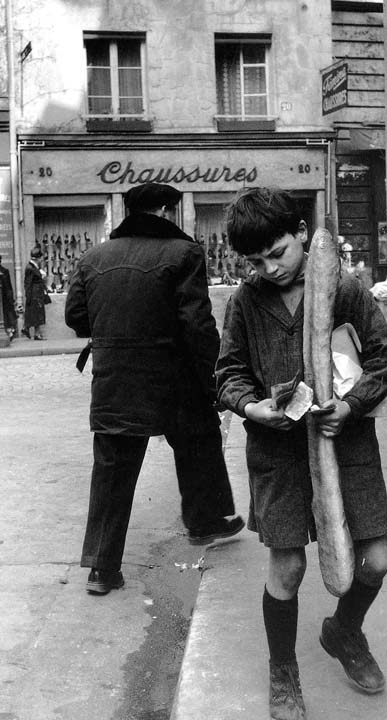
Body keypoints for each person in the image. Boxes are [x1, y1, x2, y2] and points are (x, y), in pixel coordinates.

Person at [215, 187, 387, 719]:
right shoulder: (245, 303)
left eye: (277, 253)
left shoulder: (345, 291)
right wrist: (252, 409)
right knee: (289, 567)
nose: (269, 268)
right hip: (278, 455)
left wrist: (353, 405)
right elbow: (227, 375)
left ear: (301, 233)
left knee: (375, 560)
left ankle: (343, 631)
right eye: (255, 261)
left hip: (348, 447)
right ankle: (283, 674)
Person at [65, 182, 244, 596]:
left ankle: (101, 569)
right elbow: (198, 327)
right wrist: (214, 381)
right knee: (199, 439)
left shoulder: (94, 257)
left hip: (115, 383)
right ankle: (205, 521)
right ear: (165, 211)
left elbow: (77, 317)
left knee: (112, 472)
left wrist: (116, 328)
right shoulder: (183, 254)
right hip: (174, 380)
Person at [22, 247, 49, 340]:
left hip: (36, 293)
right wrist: (28, 296)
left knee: (36, 313)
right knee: (36, 313)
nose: (42, 260)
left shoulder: (34, 267)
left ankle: (32, 331)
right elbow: (28, 283)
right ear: (38, 258)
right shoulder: (30, 268)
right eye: (41, 258)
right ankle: (31, 330)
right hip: (34, 294)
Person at [0, 255, 17, 340]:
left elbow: (8, 287)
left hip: (4, 299)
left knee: (6, 316)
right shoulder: (4, 271)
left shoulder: (4, 272)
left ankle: (9, 331)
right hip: (5, 298)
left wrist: (11, 299)